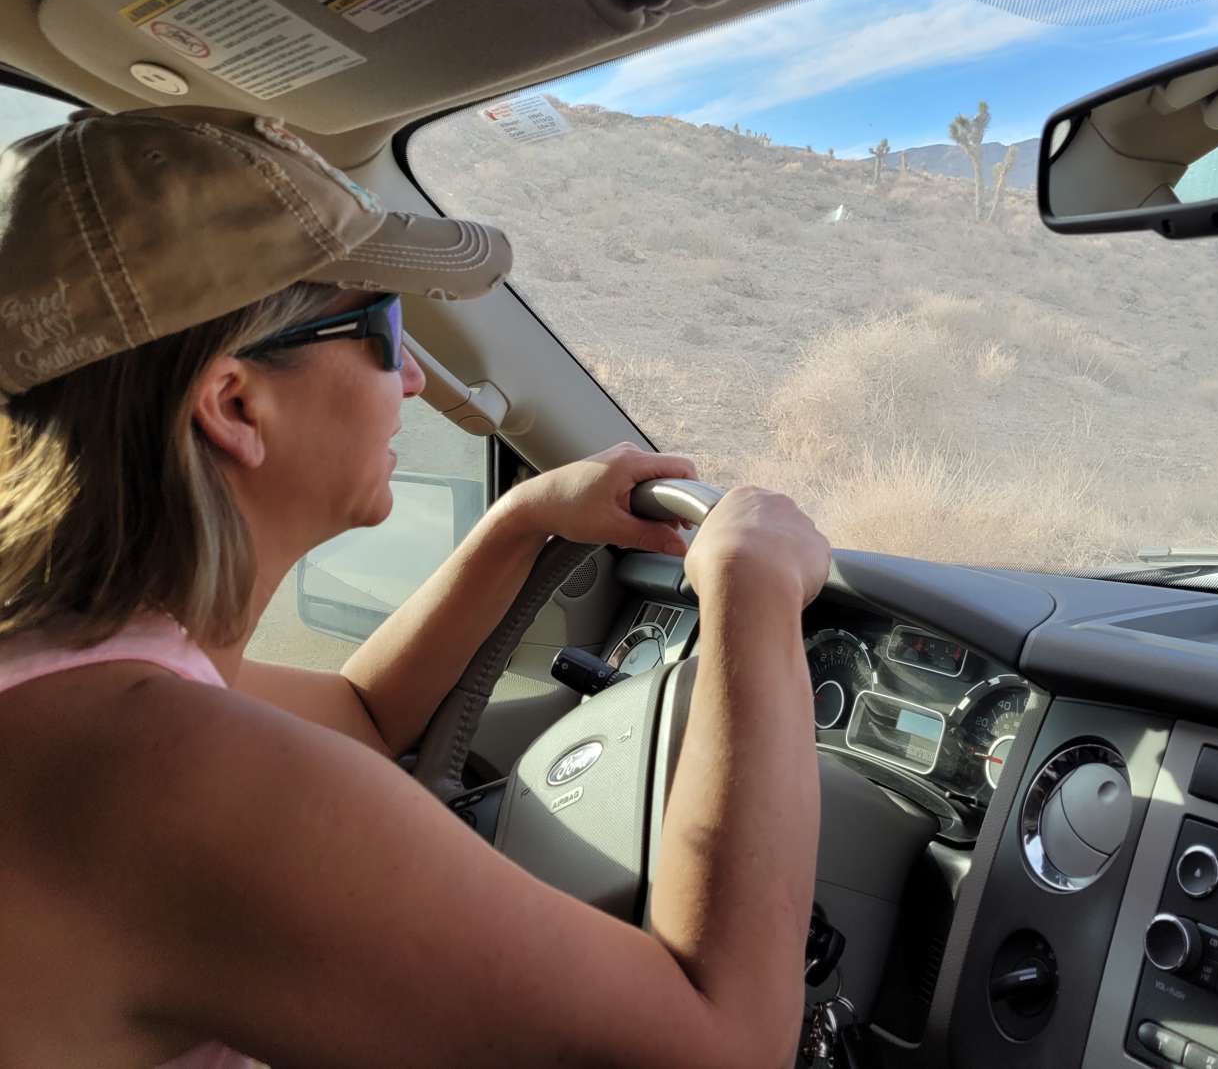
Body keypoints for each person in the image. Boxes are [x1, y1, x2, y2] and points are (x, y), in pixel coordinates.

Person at [0, 106, 830, 1068]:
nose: (416, 379)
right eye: (385, 327)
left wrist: (523, 518)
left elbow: (359, 714)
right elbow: (724, 1045)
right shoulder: (169, 773)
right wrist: (751, 592)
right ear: (236, 404)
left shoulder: (70, 674)